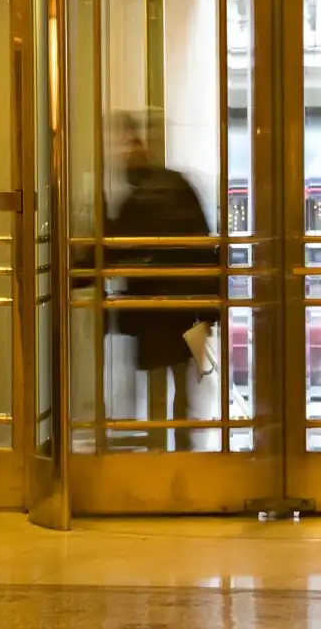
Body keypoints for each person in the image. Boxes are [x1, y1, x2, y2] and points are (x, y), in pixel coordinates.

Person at [91, 111, 218, 452]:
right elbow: (204, 245)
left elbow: (118, 247)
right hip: (183, 308)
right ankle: (180, 452)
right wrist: (210, 308)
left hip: (152, 309)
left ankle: (160, 454)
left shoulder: (137, 198)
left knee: (161, 387)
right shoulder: (178, 185)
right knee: (181, 384)